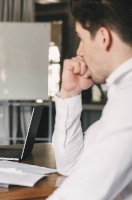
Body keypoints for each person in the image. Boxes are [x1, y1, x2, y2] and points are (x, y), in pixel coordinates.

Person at [48, 0, 132, 199]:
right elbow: (71, 166)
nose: (79, 51)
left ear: (103, 37)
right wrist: (70, 93)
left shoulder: (128, 100)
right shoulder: (122, 94)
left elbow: (80, 195)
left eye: (82, 39)